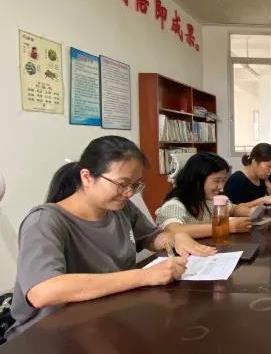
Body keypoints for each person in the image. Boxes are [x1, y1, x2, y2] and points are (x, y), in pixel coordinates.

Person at [7, 136, 216, 339]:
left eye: (135, 185)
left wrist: (174, 239)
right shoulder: (45, 221)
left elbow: (151, 237)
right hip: (50, 335)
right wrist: (144, 276)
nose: (129, 193)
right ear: (87, 177)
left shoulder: (120, 208)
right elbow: (43, 291)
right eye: (122, 184)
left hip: (104, 319)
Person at [155, 152, 255, 238]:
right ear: (198, 179)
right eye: (216, 181)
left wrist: (251, 212)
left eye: (223, 180)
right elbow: (174, 231)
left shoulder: (210, 201)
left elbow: (233, 209)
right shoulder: (174, 205)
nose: (221, 187)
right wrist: (226, 227)